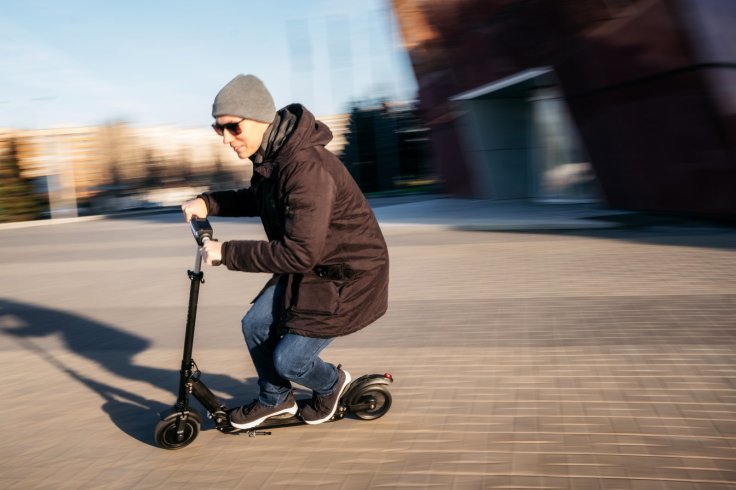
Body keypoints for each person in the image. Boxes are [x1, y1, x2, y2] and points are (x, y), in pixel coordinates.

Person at [181, 74, 389, 430]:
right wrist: (208, 202)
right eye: (219, 130)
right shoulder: (274, 158)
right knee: (256, 324)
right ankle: (275, 400)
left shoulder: (305, 168)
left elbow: (298, 254)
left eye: (233, 127)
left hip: (346, 277)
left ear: (260, 117)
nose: (227, 139)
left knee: (289, 361)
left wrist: (226, 253)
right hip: (313, 267)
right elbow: (261, 200)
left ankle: (330, 385)